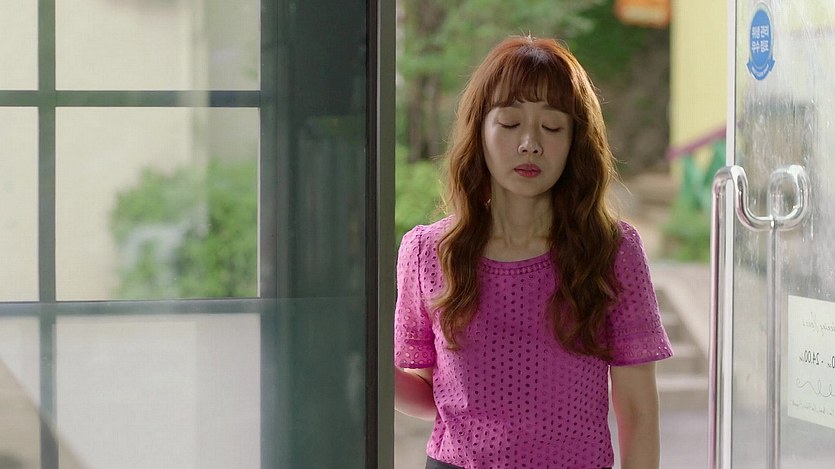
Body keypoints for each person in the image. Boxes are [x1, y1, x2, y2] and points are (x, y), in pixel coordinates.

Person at [393, 35, 673, 469]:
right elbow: (431, 394)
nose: (530, 143)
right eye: (509, 123)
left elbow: (637, 411)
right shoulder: (428, 252)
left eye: (552, 127)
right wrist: (361, 357)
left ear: (575, 141)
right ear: (479, 131)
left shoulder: (612, 251)